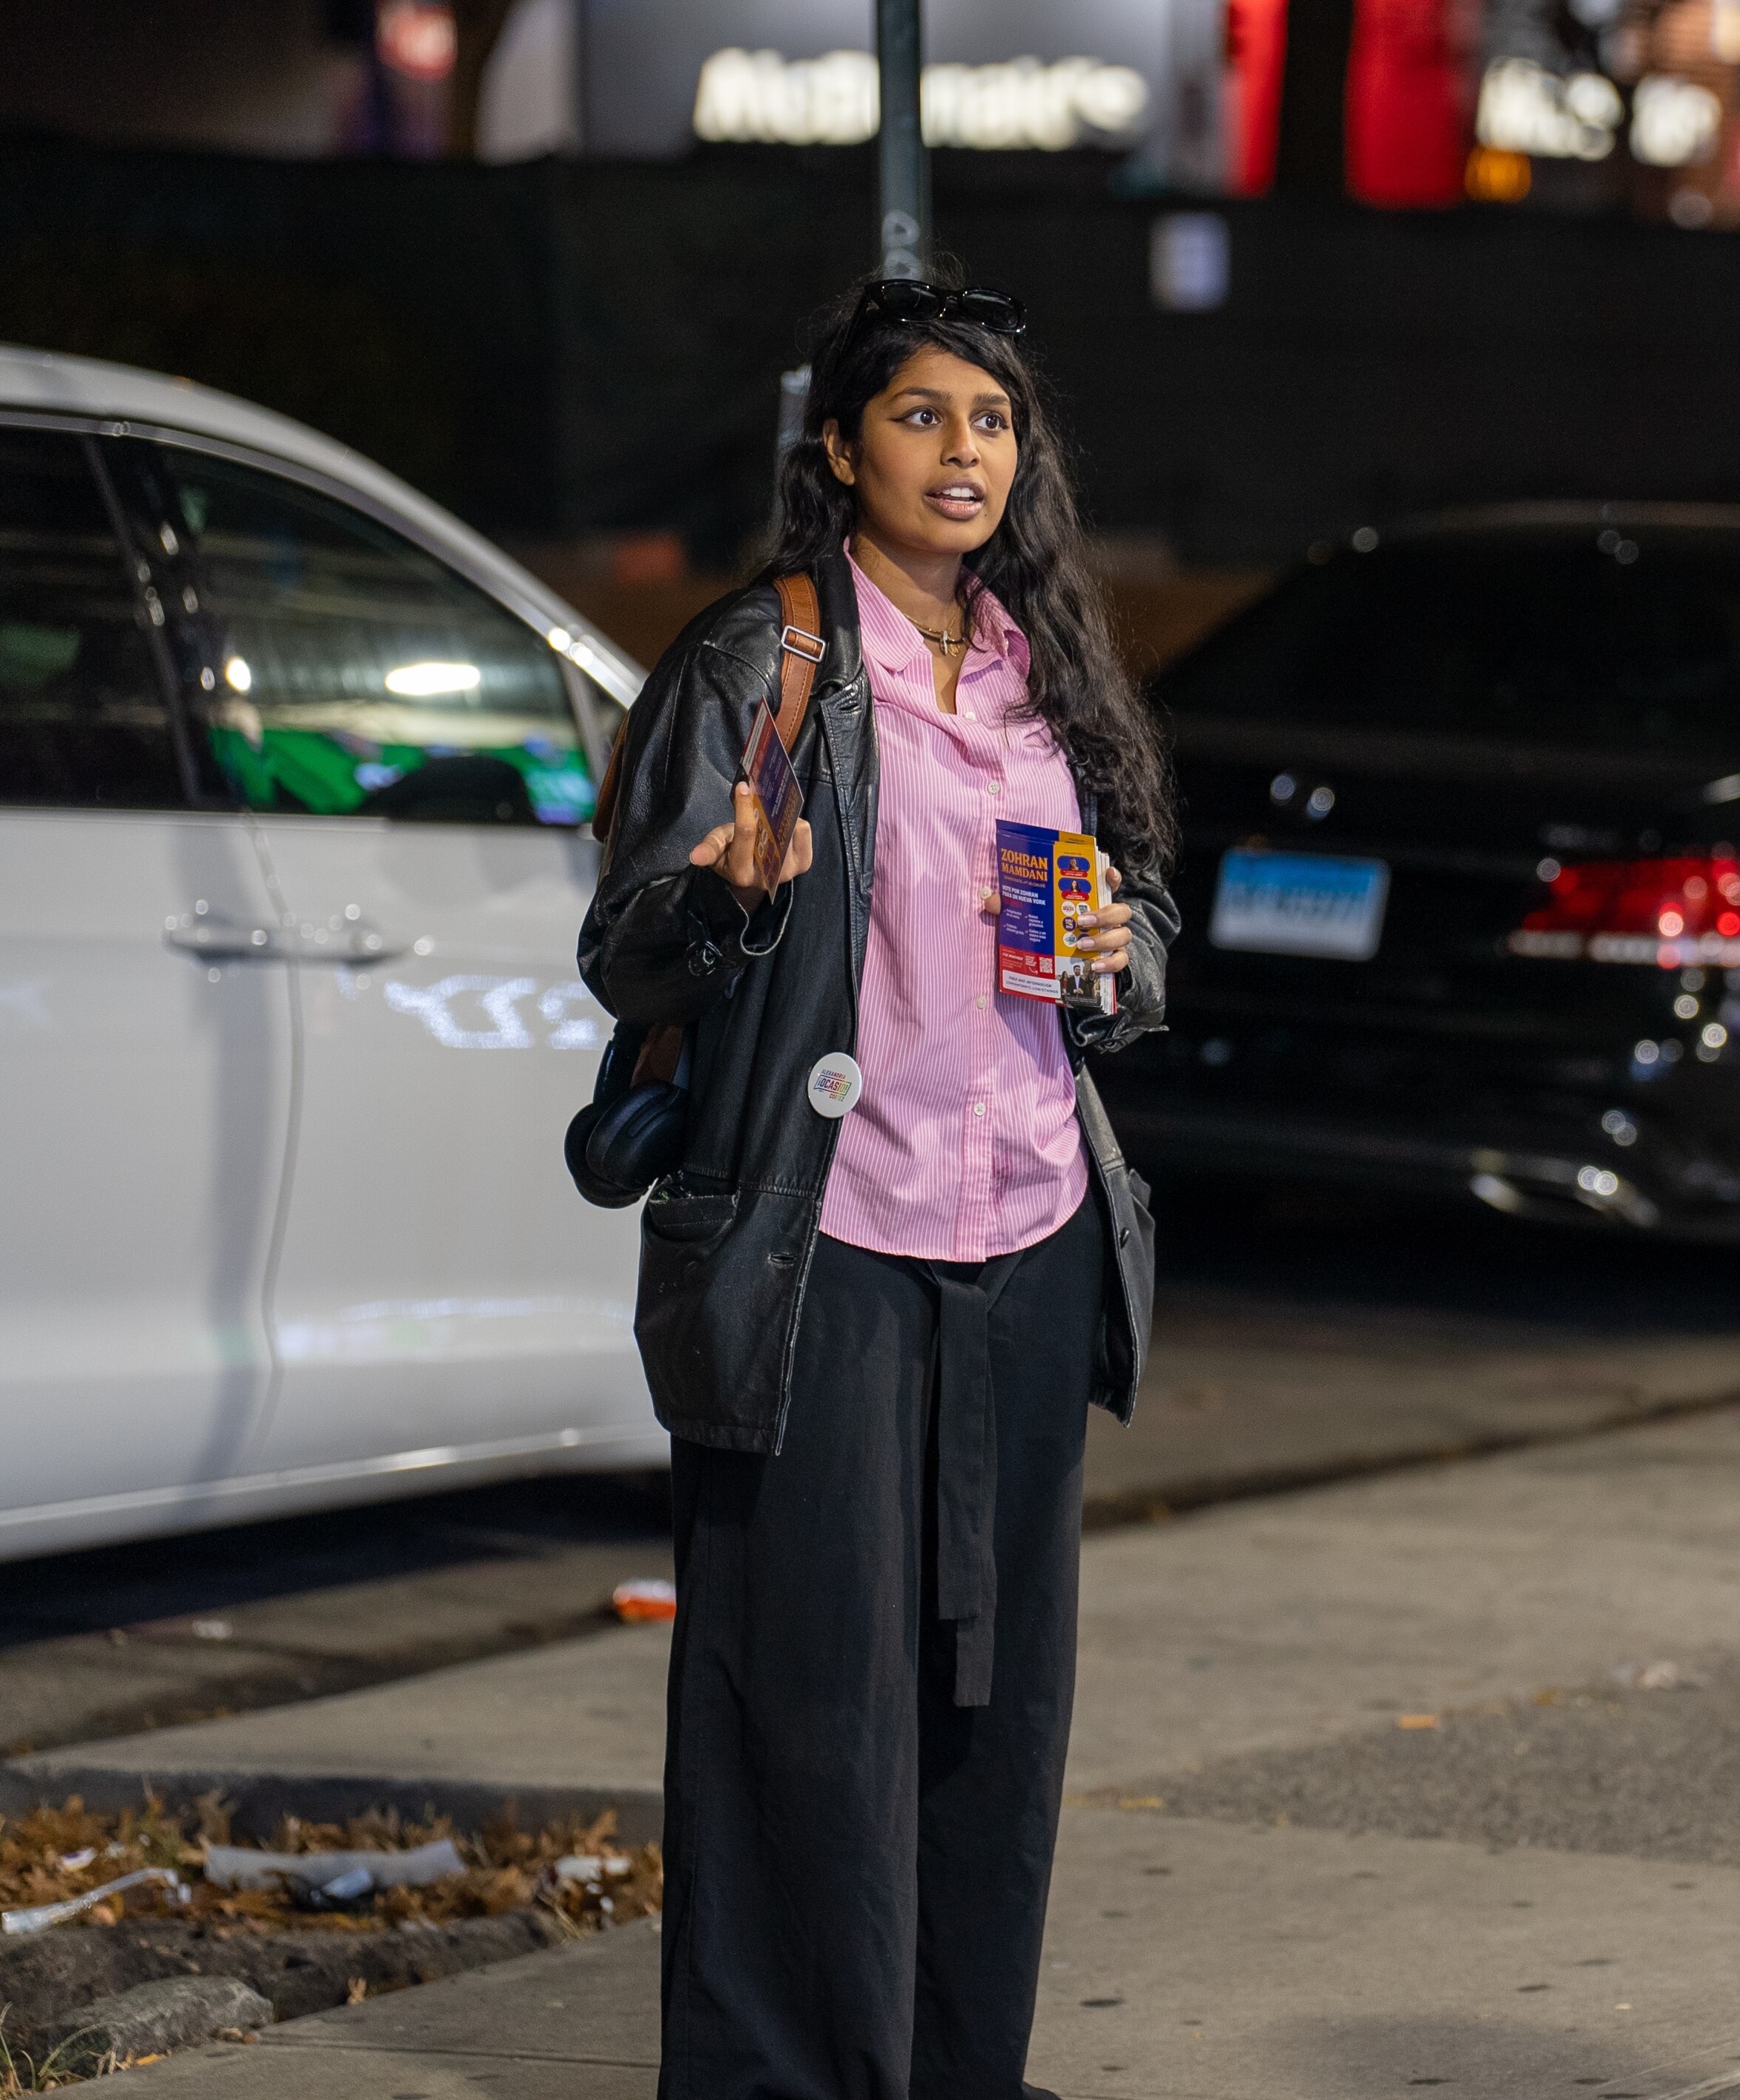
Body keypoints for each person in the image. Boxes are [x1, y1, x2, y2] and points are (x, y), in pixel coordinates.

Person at [579, 277, 1177, 2100]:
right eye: (923, 417)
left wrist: (1106, 956)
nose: (965, 453)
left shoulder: (1039, 668)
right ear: (839, 449)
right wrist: (730, 896)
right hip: (824, 1232)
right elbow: (632, 951)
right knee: (805, 1697)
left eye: (991, 422)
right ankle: (781, 2074)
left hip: (1028, 1224)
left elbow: (1140, 940)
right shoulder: (757, 662)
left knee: (991, 1703)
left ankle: (952, 2066)